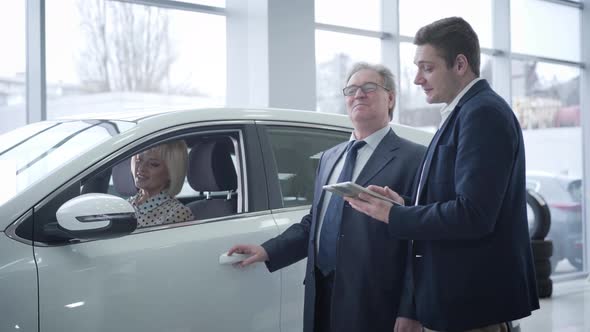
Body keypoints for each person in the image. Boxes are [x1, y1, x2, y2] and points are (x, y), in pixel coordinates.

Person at [345, 17, 540, 332]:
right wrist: (405, 203)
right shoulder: (463, 112)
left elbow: (474, 214)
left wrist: (395, 215)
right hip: (458, 300)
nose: (417, 79)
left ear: (460, 64)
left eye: (427, 68)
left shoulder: (482, 114)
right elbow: (456, 198)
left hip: (472, 302)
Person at [228, 62, 426, 332]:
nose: (358, 94)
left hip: (375, 302)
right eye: (351, 89)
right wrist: (268, 250)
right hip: (320, 292)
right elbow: (316, 223)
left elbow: (423, 243)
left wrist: (410, 309)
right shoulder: (330, 157)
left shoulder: (415, 158)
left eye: (369, 87)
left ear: (390, 98)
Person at [129, 140, 194, 227]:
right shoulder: (127, 205)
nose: (141, 168)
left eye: (153, 164)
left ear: (172, 172)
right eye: (138, 160)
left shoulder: (177, 213)